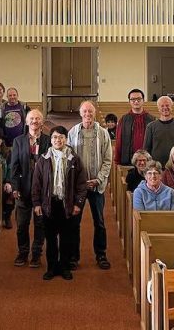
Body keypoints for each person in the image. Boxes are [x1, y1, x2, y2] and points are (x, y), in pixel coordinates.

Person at [32, 125, 88, 281]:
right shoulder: (43, 159)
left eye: (61, 137)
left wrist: (78, 204)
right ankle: (51, 268)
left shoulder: (74, 159)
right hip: (49, 204)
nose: (58, 140)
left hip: (66, 204)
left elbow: (81, 185)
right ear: (51, 140)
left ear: (66, 139)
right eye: (55, 137)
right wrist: (37, 203)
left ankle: (64, 267)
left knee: (66, 238)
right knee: (50, 239)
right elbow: (36, 184)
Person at [67, 100, 114, 270]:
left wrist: (99, 179)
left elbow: (108, 160)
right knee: (74, 222)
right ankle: (73, 257)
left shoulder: (103, 133)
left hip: (96, 185)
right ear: (80, 114)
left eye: (90, 112)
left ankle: (101, 255)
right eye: (85, 112)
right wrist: (77, 182)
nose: (87, 115)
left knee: (99, 222)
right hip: (78, 187)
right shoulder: (73, 133)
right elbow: (69, 159)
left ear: (94, 114)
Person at [10, 109, 49, 268]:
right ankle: (23, 252)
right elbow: (14, 166)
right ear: (27, 122)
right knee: (22, 225)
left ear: (42, 122)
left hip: (42, 190)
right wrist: (15, 187)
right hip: (23, 188)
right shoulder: (18, 141)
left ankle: (37, 254)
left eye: (37, 119)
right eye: (31, 119)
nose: (34, 121)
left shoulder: (48, 140)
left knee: (40, 224)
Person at [114, 88, 155, 166]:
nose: (136, 101)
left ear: (143, 100)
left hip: (148, 162)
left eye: (139, 99)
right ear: (129, 101)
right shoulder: (123, 120)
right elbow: (119, 142)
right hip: (128, 161)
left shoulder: (152, 120)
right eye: (133, 99)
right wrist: (117, 161)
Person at [144, 96, 174, 164]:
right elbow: (146, 150)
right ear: (158, 109)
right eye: (162, 106)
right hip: (156, 168)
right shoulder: (151, 127)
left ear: (171, 107)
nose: (165, 108)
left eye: (167, 105)